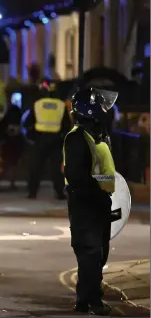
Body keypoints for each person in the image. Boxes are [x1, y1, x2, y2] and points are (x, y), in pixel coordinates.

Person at [63, 88, 117, 316]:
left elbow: (104, 176)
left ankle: (84, 300)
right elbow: (78, 177)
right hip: (85, 206)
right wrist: (99, 190)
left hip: (95, 205)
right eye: (101, 106)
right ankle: (93, 302)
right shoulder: (77, 139)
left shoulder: (93, 137)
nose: (105, 111)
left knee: (96, 254)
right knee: (90, 254)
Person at [21, 78, 71, 199]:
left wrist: (33, 136)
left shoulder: (37, 104)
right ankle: (59, 193)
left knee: (36, 167)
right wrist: (61, 136)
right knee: (56, 168)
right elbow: (67, 125)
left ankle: (32, 192)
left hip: (40, 139)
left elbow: (27, 122)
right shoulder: (61, 105)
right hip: (55, 140)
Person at [0, 98, 24, 190]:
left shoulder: (5, 121)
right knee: (13, 165)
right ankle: (10, 182)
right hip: (15, 145)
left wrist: (3, 139)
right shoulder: (19, 122)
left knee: (4, 164)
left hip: (7, 145)